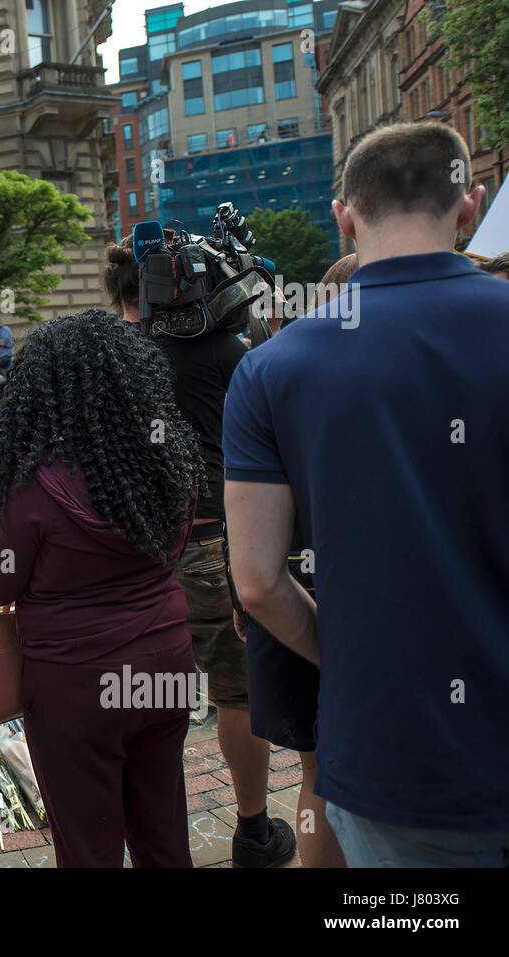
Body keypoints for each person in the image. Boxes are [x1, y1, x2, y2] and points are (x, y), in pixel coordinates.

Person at [224, 121, 509, 867]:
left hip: (392, 753)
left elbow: (255, 581)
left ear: (343, 216)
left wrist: (340, 652)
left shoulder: (271, 371)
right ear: (469, 207)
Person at [0, 311, 202, 868]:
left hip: (77, 682)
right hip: (165, 663)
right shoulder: (167, 463)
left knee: (88, 844)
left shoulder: (33, 483)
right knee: (164, 825)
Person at [104, 234, 295, 868]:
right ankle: (253, 829)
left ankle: (157, 839)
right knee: (236, 693)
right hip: (214, 537)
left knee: (151, 694)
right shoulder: (227, 350)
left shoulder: (112, 360)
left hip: (140, 551)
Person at [235, 257, 354, 870]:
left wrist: (243, 600)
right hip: (350, 596)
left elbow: (244, 521)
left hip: (287, 595)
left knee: (314, 766)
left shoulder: (268, 374)